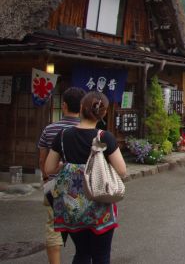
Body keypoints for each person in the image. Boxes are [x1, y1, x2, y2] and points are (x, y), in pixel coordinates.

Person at [45, 91, 127, 264]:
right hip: (99, 205)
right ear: (103, 113)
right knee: (101, 255)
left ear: (81, 108)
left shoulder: (63, 135)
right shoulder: (104, 137)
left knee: (82, 253)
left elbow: (49, 168)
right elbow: (122, 170)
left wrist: (64, 166)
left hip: (71, 207)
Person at [38, 87, 86, 264]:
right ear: (82, 107)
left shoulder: (50, 129)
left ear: (63, 106)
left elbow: (42, 160)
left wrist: (46, 179)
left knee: (54, 228)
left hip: (54, 187)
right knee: (83, 227)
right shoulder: (86, 131)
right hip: (80, 188)